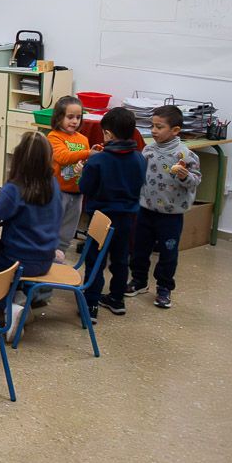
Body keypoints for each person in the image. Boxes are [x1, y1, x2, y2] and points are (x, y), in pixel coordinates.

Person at [0, 131, 63, 339]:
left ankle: (10, 307)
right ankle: (15, 296)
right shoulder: (52, 184)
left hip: (18, 259)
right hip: (45, 257)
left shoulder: (16, 188)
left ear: (19, 157)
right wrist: (0, 200)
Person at [129, 105, 202, 309]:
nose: (153, 130)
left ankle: (164, 287)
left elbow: (196, 180)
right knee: (139, 249)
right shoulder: (148, 150)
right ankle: (139, 280)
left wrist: (185, 176)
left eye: (159, 127)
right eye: (152, 126)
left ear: (175, 130)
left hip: (171, 215)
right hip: (145, 209)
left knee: (168, 253)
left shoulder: (184, 155)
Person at [80, 106, 146, 318]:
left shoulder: (97, 160)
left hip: (101, 218)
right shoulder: (140, 158)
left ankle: (91, 304)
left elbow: (85, 188)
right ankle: (117, 299)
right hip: (127, 218)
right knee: (120, 259)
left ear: (107, 134)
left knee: (95, 260)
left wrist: (83, 170)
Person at [47, 95, 91, 261]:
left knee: (68, 231)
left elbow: (85, 162)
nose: (75, 121)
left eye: (78, 117)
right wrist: (88, 153)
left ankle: (59, 258)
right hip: (58, 192)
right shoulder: (54, 136)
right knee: (52, 228)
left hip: (77, 193)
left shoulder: (83, 139)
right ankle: (48, 258)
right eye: (70, 117)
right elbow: (63, 157)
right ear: (59, 117)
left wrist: (86, 162)